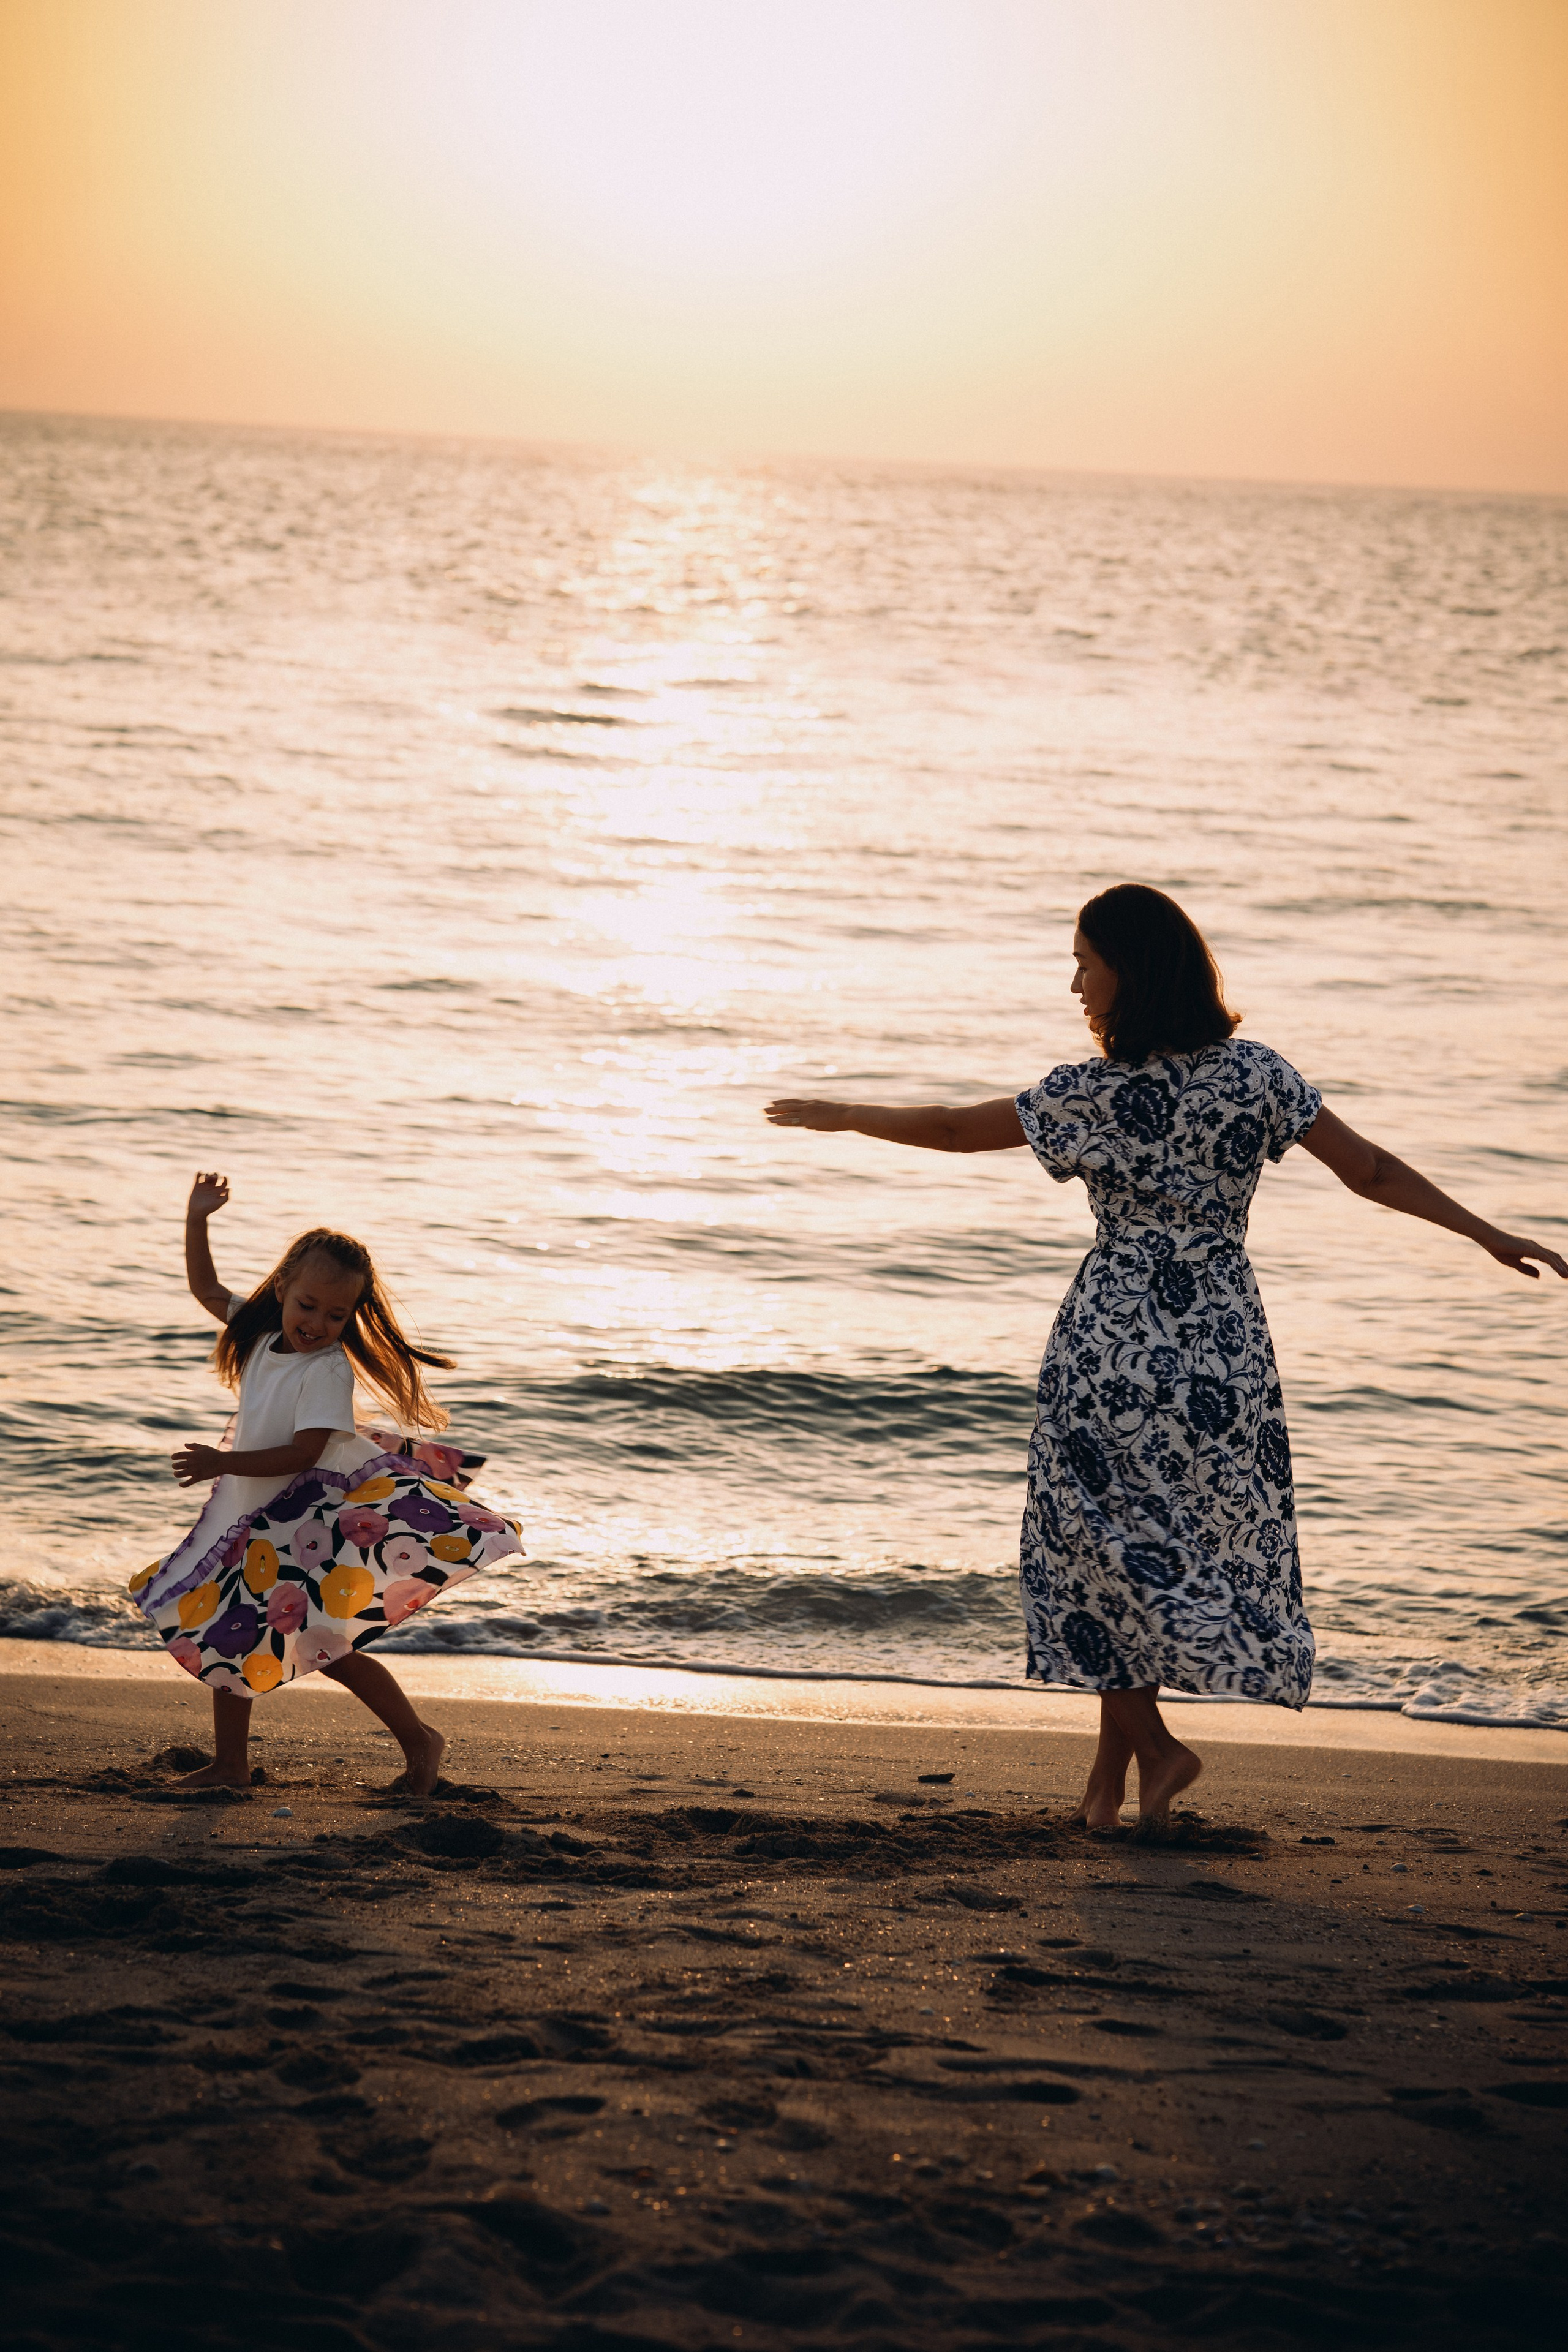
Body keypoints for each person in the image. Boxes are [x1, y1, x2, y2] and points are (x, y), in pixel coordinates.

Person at [764, 884, 1565, 1829]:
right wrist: (1483, 1232)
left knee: (1090, 1538)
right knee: (1154, 1539)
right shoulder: (1259, 1076)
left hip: (1115, 1339)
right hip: (1225, 1344)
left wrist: (845, 1111)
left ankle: (1158, 1747)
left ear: (1130, 972)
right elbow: (1373, 1172)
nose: (1074, 983)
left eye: (1085, 962)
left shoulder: (1093, 1094)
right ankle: (1111, 1790)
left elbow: (949, 1129)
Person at [129, 1175, 524, 1795]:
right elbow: (205, 1287)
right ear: (283, 1286)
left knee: (316, 1641)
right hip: (253, 1514)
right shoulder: (260, 1335)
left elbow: (304, 1453)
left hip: (294, 1522)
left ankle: (419, 1741)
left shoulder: (327, 1370)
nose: (317, 1322)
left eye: (336, 1314)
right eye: (308, 1305)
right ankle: (233, 1765)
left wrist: (221, 1464)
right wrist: (198, 1216)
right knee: (232, 1630)